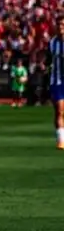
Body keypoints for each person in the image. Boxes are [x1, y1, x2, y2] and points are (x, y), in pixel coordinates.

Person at [43, 17, 64, 149]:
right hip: (57, 81)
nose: (61, 26)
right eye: (59, 24)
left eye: (63, 24)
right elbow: (48, 60)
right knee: (59, 109)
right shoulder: (52, 43)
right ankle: (61, 140)